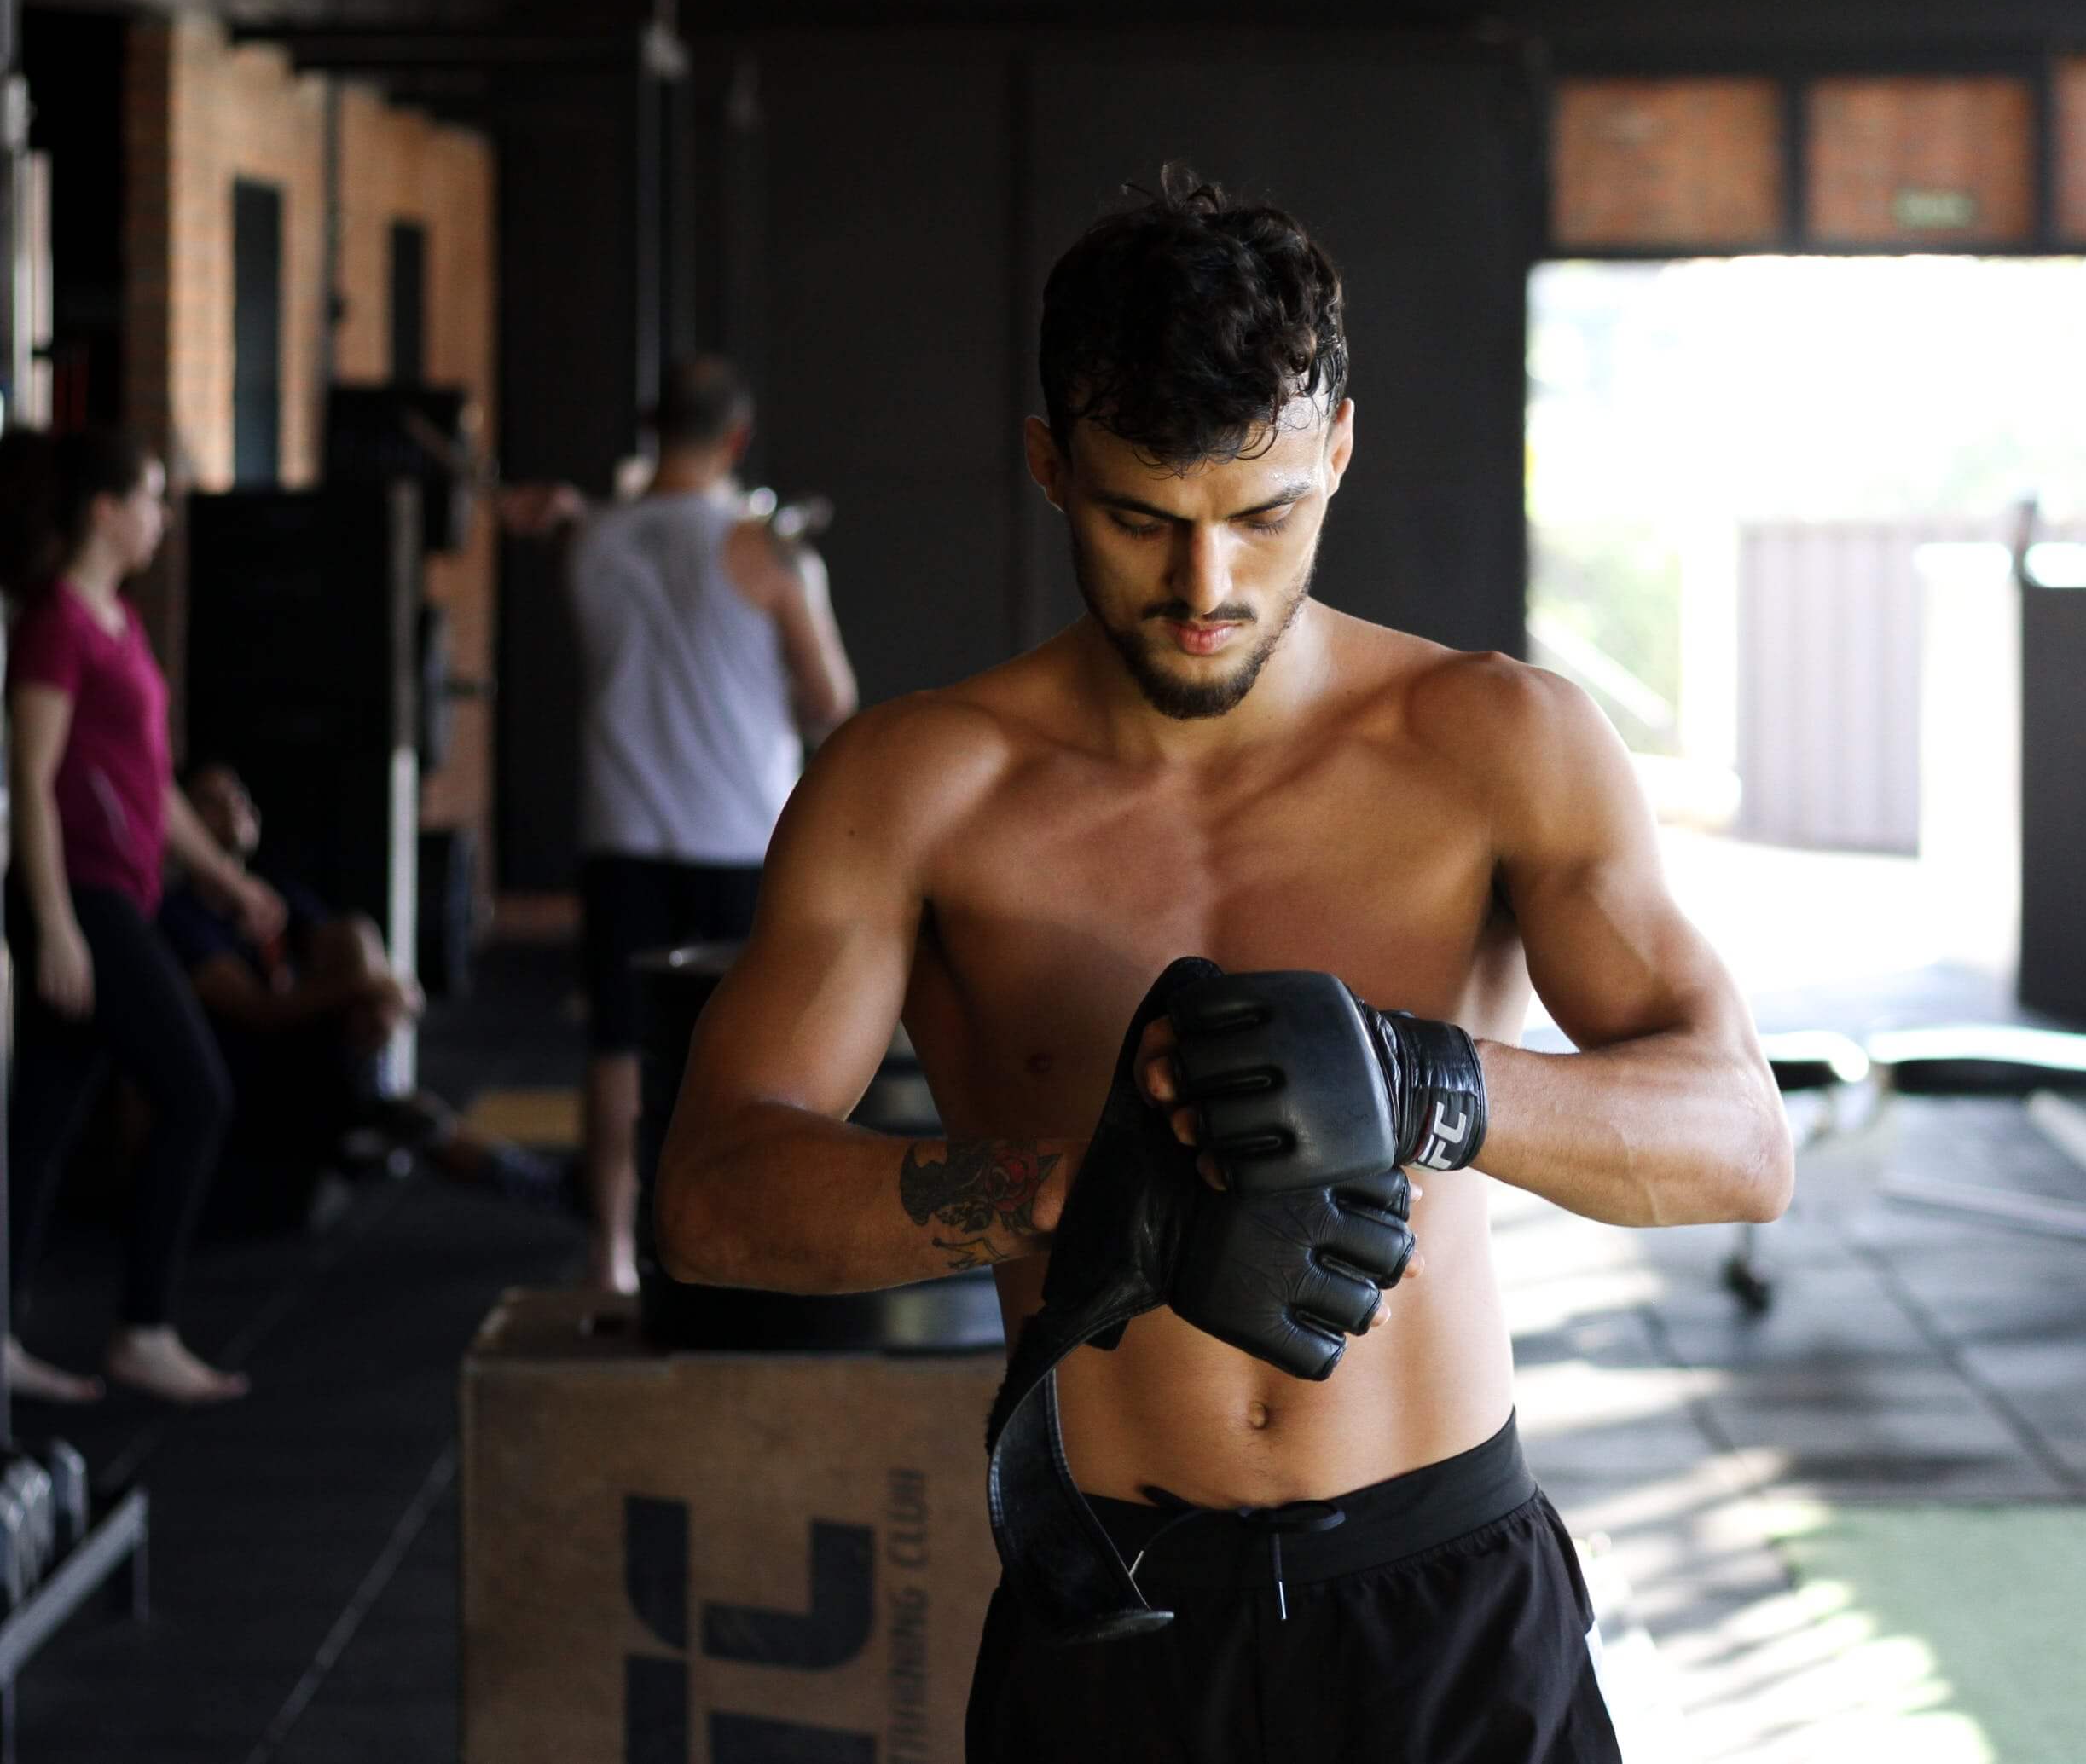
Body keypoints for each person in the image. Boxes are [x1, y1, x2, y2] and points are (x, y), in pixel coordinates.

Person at [652, 170, 1788, 1760]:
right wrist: (1074, 1196)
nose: (1207, 590)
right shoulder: (915, 789)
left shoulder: (1499, 743)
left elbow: (1740, 1142)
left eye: (1263, 517)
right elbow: (708, 1205)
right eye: (1142, 520)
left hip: (1445, 1605)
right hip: (1118, 1621)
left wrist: (1427, 1082)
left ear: (1336, 447)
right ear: (1052, 467)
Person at [557, 356, 858, 1293]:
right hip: (741, 837)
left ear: (653, 428)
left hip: (623, 833)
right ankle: (745, 1246)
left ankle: (611, 1250)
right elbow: (830, 701)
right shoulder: (766, 553)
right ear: (736, 437)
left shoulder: (592, 544)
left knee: (618, 1045)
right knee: (751, 1051)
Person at [3, 428, 275, 1405]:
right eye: (153, 497)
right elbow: (29, 782)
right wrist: (56, 925)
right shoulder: (55, 626)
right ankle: (144, 1327)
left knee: (38, 1122)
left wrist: (223, 881)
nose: (163, 517)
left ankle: (5, 1331)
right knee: (197, 1094)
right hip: (79, 897)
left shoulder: (116, 623)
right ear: (105, 510)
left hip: (123, 892)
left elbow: (151, 790)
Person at [160, 764, 568, 1214]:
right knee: (414, 1114)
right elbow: (259, 1011)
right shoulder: (182, 917)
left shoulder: (276, 895)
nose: (234, 805)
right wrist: (370, 986)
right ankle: (375, 1100)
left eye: (237, 794)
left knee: (355, 936)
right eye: (212, 801)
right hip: (247, 1084)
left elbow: (352, 952)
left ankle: (546, 1185)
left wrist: (377, 995)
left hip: (317, 1065)